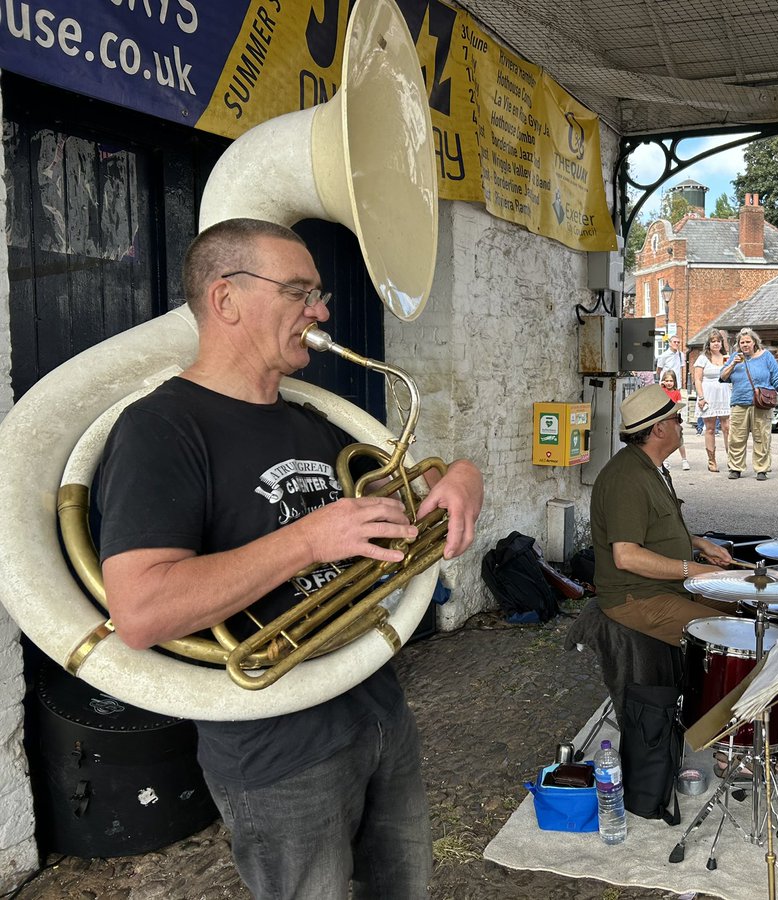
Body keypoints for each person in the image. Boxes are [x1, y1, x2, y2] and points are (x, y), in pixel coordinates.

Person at [94, 218, 485, 900]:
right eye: (300, 292)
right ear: (226, 301)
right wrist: (308, 540)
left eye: (320, 294)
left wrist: (463, 476)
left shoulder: (307, 418)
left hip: (376, 707)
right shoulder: (159, 429)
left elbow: (413, 491)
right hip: (276, 749)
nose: (323, 312)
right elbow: (141, 608)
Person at [590, 383, 735, 644]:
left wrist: (700, 543)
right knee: (732, 635)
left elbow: (658, 524)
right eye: (677, 419)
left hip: (668, 586)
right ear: (659, 428)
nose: (681, 425)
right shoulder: (627, 479)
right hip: (638, 597)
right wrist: (694, 570)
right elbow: (626, 557)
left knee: (744, 605)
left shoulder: (652, 467)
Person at [720, 328, 778, 481]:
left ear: (755, 342)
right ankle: (735, 468)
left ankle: (761, 469)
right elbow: (723, 376)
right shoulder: (735, 357)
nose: (745, 345)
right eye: (742, 342)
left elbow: (777, 376)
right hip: (739, 402)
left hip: (761, 403)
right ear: (738, 344)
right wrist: (732, 365)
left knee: (762, 436)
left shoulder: (766, 356)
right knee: (736, 437)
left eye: (748, 342)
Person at [693, 329, 732, 472]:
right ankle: (712, 460)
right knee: (709, 428)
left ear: (722, 343)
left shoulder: (727, 357)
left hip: (724, 394)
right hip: (708, 395)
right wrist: (701, 397)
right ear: (708, 344)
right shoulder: (702, 358)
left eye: (718, 341)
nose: (716, 344)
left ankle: (732, 459)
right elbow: (697, 379)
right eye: (713, 341)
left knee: (727, 427)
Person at [658, 369, 690, 470]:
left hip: (674, 419)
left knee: (679, 440)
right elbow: (655, 393)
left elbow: (679, 403)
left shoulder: (676, 393)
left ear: (675, 382)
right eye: (666, 381)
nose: (669, 383)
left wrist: (678, 410)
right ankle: (665, 460)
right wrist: (660, 384)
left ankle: (684, 460)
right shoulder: (662, 391)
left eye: (671, 381)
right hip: (663, 420)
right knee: (664, 441)